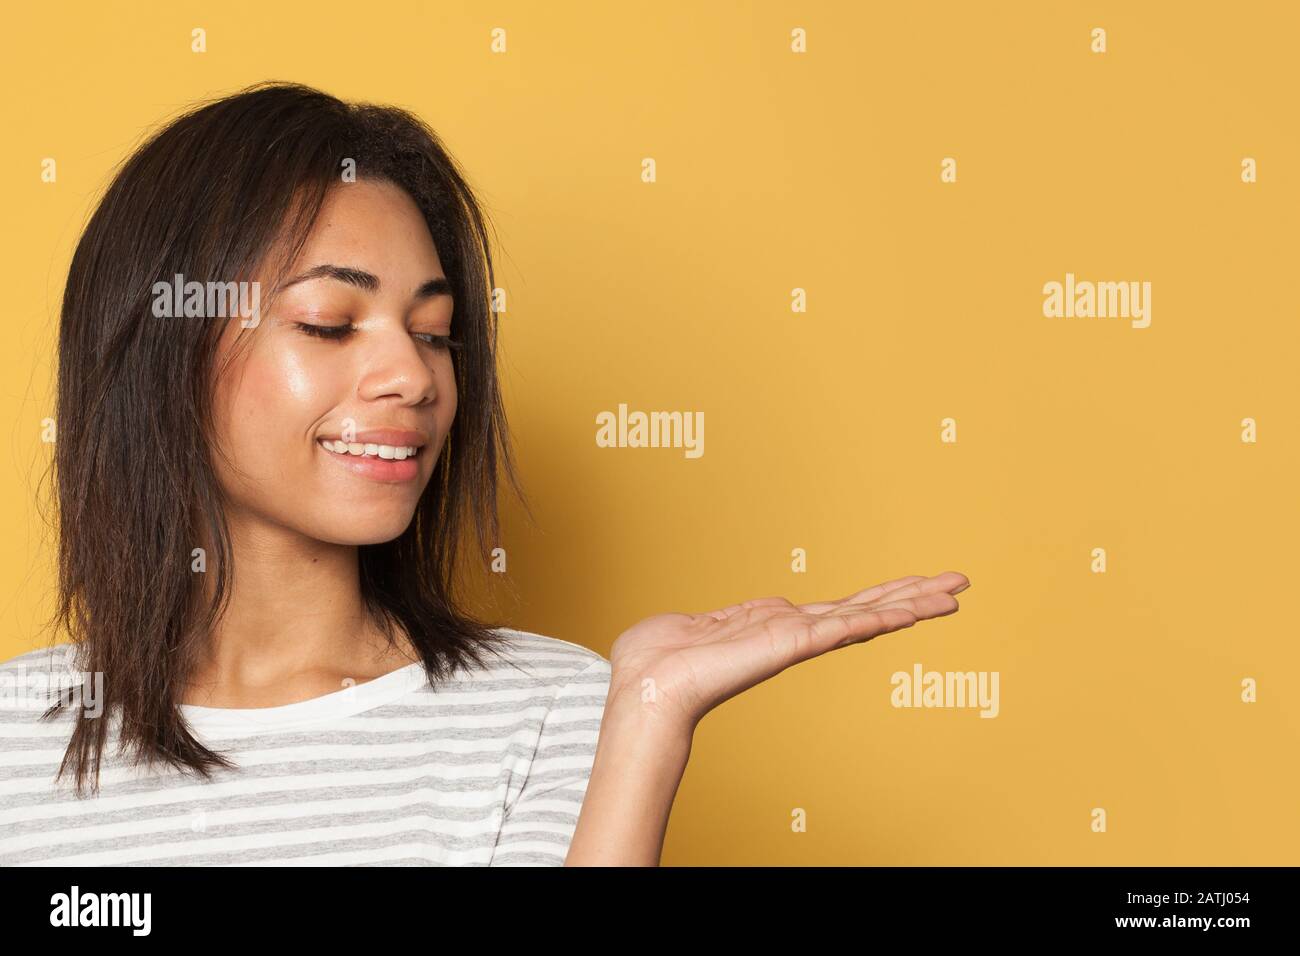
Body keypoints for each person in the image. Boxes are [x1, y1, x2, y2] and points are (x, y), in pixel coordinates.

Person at [0, 82, 969, 866]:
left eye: (434, 332)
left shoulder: (553, 708)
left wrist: (647, 719)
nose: (413, 377)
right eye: (330, 322)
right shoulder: (15, 735)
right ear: (161, 347)